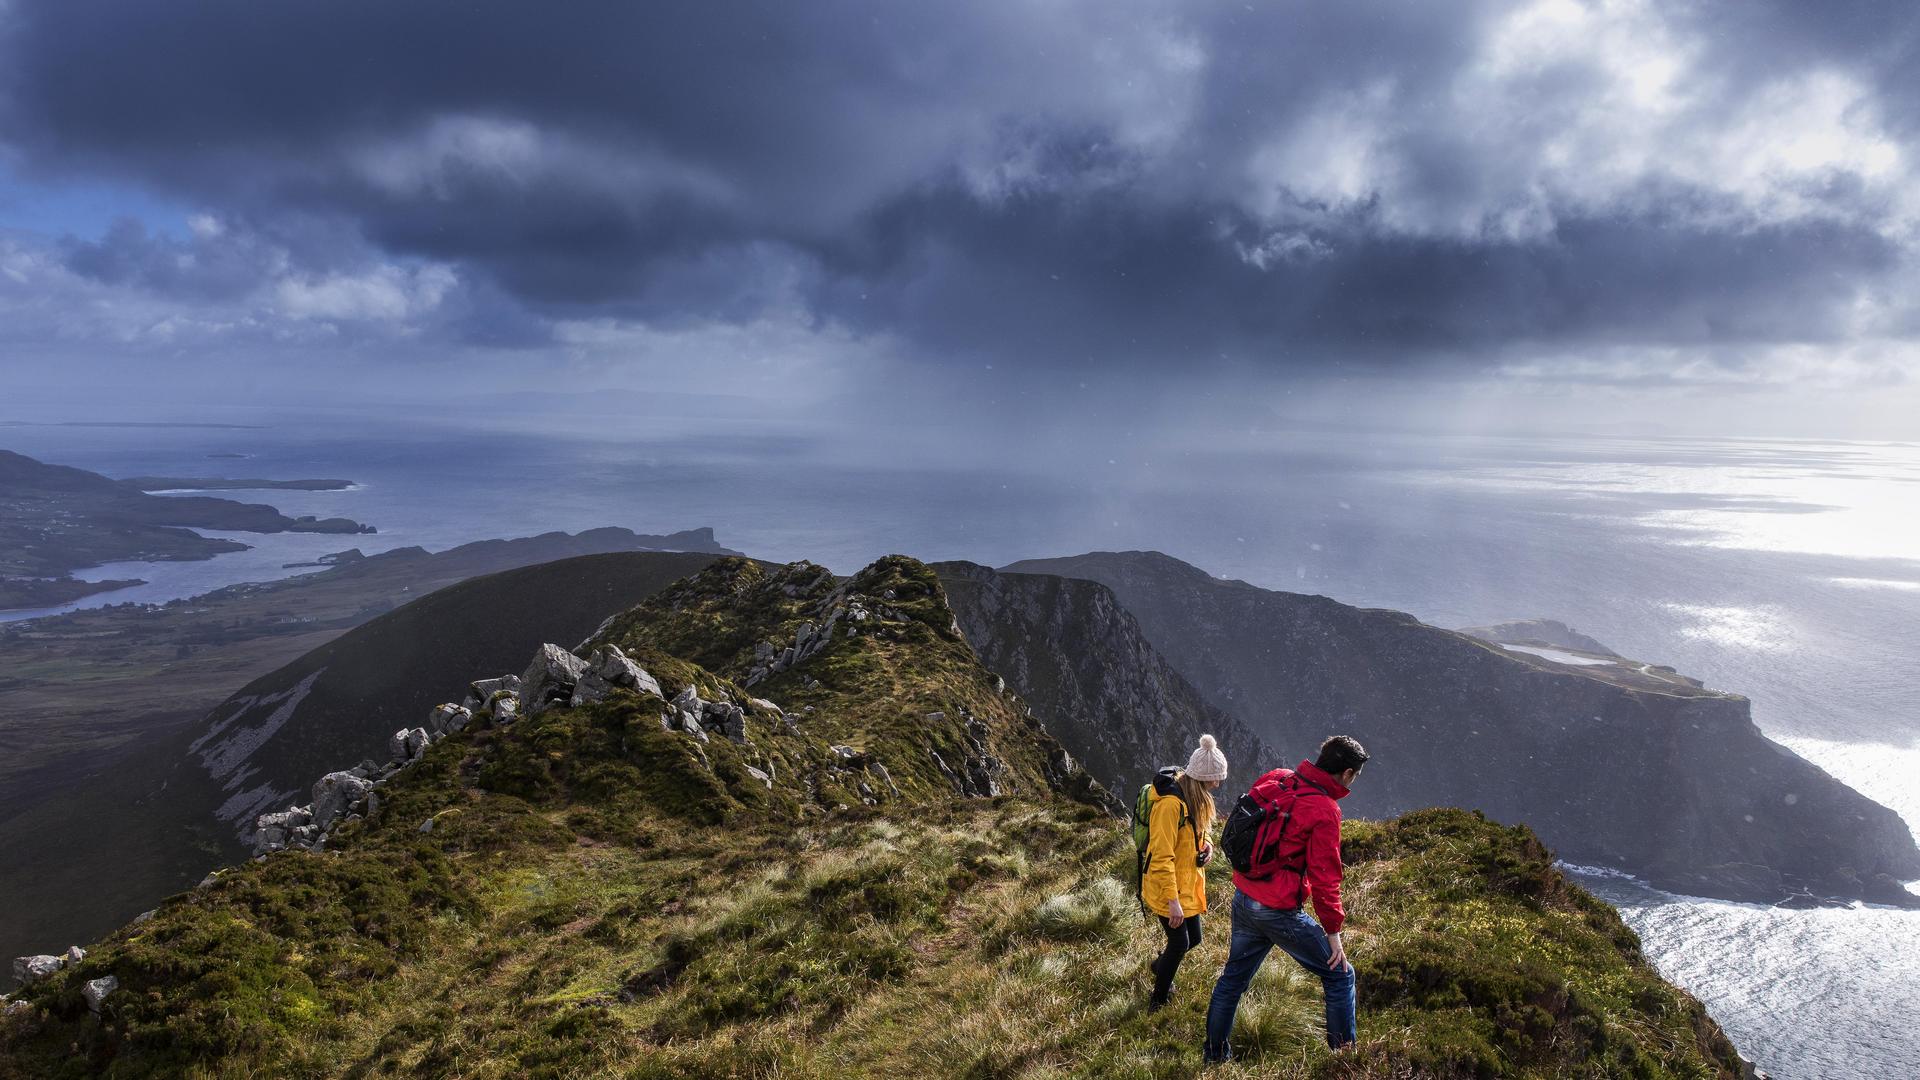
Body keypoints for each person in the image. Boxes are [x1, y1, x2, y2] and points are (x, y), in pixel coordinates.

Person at [1204, 734, 1369, 1062]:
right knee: (1340, 975)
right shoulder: (1325, 810)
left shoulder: (1276, 778)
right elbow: (1325, 879)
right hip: (1277, 909)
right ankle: (1344, 1062)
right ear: (1347, 774)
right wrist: (1333, 935)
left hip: (1245, 895)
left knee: (1232, 981)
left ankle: (1214, 1058)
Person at [1142, 734, 1229, 1010]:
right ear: (1202, 779)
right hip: (1169, 889)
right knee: (1180, 943)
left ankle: (1160, 964)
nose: (1218, 784)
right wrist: (1172, 901)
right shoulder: (1170, 806)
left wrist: (1209, 847)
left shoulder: (1196, 799)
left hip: (1187, 884)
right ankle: (1158, 998)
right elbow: (1161, 857)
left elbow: (1203, 831)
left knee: (1195, 939)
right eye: (1215, 779)